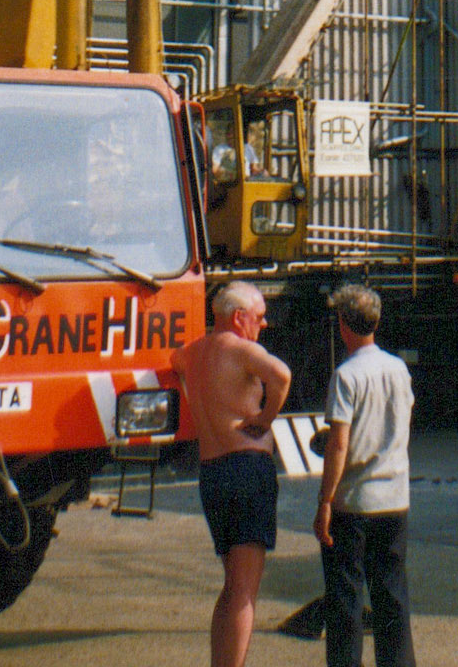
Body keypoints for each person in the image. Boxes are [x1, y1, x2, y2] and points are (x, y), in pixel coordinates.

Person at [175, 281, 291, 667]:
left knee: (230, 587)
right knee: (244, 592)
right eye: (258, 317)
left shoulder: (191, 353)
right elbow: (282, 375)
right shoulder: (243, 349)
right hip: (247, 468)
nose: (263, 324)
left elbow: (172, 364)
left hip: (211, 472)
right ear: (239, 318)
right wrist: (264, 417)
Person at [314, 283, 416, 667]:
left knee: (346, 600)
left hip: (354, 503)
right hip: (395, 500)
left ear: (343, 323)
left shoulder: (346, 376)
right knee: (392, 597)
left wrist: (325, 502)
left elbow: (339, 445)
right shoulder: (398, 368)